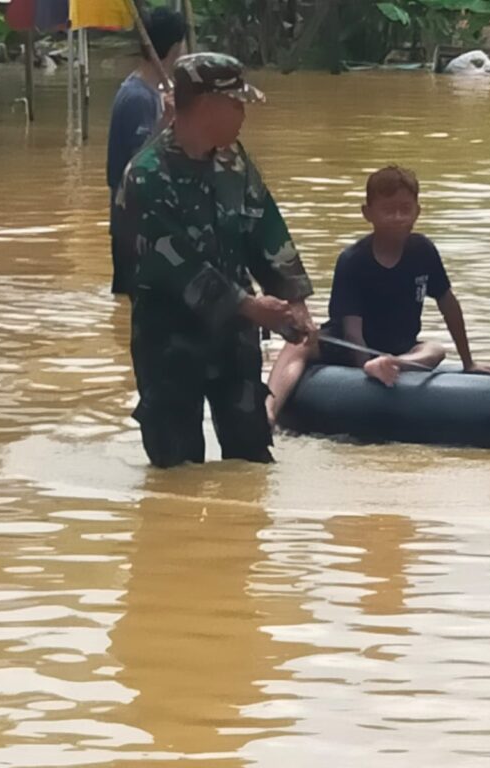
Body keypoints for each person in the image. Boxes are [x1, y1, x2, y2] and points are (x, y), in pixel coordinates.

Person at [118, 52, 315, 468]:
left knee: (252, 459)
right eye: (237, 103)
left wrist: (293, 300)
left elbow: (266, 228)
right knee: (177, 469)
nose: (244, 114)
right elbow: (176, 267)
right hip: (169, 342)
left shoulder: (233, 160)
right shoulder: (147, 177)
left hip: (234, 338)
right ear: (208, 105)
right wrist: (251, 306)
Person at [266, 165, 490, 424]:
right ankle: (269, 410)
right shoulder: (354, 260)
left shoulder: (424, 251)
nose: (398, 217)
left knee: (435, 349)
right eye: (388, 210)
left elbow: (449, 304)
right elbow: (353, 329)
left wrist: (468, 362)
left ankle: (394, 363)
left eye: (405, 209)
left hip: (399, 347)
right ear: (368, 213)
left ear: (417, 211)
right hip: (348, 346)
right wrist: (364, 372)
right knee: (297, 344)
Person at [107, 7, 187, 294]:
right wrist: (166, 123)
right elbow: (135, 167)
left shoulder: (159, 94)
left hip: (152, 227)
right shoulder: (138, 98)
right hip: (134, 227)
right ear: (175, 49)